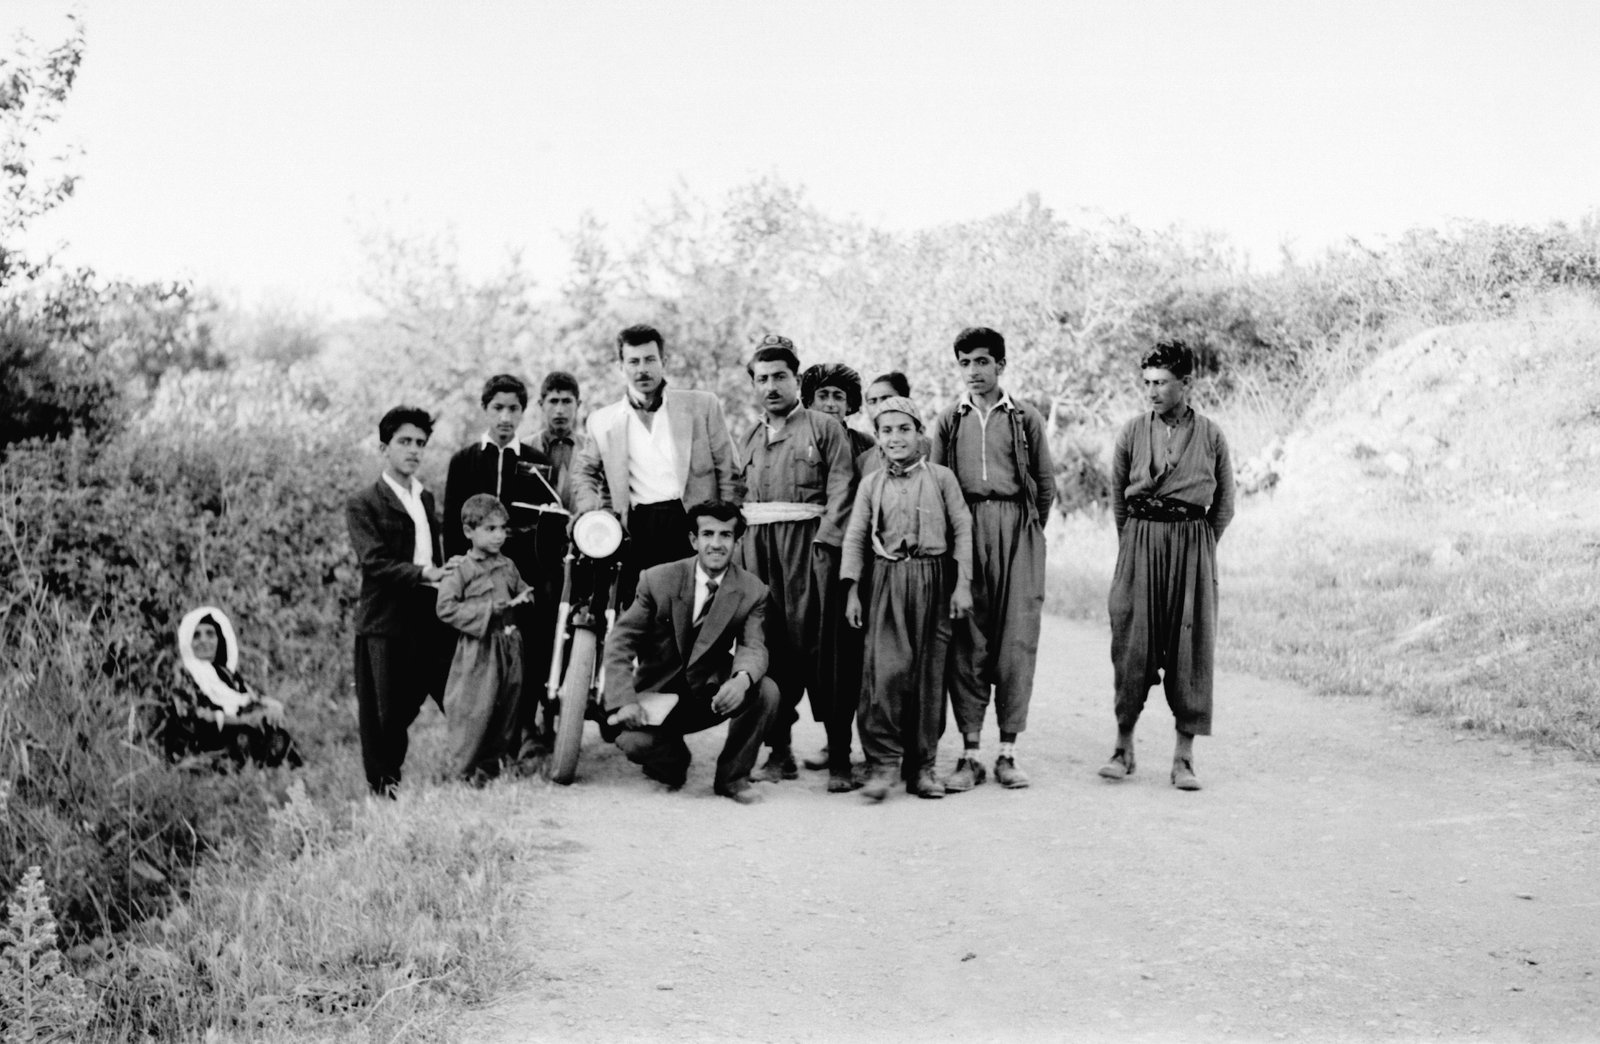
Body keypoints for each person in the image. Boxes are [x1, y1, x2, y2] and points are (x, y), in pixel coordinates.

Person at [928, 327, 1057, 791]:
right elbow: (938, 484)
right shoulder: (950, 420)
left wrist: (1026, 532)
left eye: (982, 361)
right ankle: (969, 755)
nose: (973, 372)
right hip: (965, 531)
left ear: (1000, 365)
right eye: (964, 363)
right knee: (967, 641)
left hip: (1017, 529)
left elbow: (1045, 485)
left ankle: (1007, 752)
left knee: (1016, 639)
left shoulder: (1025, 418)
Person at [1102, 341, 1234, 791]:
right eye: (1148, 383)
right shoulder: (1132, 432)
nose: (1152, 391)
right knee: (1131, 644)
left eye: (1161, 382)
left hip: (1192, 546)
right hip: (1139, 543)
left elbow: (1225, 504)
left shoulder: (1211, 435)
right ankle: (1123, 748)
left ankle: (1184, 758)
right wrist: (1133, 545)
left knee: (1189, 650)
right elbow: (1118, 497)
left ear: (1186, 383)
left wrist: (1199, 547)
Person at [736, 335, 856, 791]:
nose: (771, 386)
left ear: (796, 379)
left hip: (811, 553)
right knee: (770, 650)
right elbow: (739, 501)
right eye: (762, 378)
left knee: (826, 653)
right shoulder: (749, 437)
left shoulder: (823, 428)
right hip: (761, 556)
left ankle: (840, 756)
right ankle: (779, 752)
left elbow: (843, 489)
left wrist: (827, 546)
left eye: (780, 377)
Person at [601, 500, 780, 803]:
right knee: (633, 743)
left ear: (737, 543)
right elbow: (621, 642)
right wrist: (624, 700)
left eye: (725, 535)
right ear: (694, 540)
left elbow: (753, 645)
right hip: (659, 693)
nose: (716, 544)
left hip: (710, 694)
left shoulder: (753, 590)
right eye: (708, 534)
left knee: (766, 691)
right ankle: (673, 759)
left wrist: (741, 679)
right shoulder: (657, 579)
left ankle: (733, 778)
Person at [842, 397, 972, 801]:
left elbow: (962, 529)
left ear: (920, 434)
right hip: (886, 580)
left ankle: (922, 767)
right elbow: (856, 536)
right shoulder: (871, 483)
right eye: (887, 431)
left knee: (929, 676)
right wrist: (852, 591)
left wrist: (963, 585)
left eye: (904, 429)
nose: (895, 438)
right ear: (878, 438)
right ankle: (882, 764)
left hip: (933, 581)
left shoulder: (942, 478)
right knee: (883, 672)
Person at [572, 323, 740, 607]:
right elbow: (584, 471)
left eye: (650, 359)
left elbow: (729, 471)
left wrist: (726, 527)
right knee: (645, 614)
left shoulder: (702, 406)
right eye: (633, 362)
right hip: (638, 529)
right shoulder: (603, 421)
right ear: (620, 367)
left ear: (665, 361)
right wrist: (591, 510)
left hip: (693, 523)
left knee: (698, 612)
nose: (642, 369)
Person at [442, 374, 559, 764]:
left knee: (523, 654)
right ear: (485, 410)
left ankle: (522, 731)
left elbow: (544, 527)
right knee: (480, 660)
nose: (506, 417)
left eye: (514, 409)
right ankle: (477, 743)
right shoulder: (464, 460)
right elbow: (452, 525)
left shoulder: (537, 462)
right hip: (477, 581)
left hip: (520, 577)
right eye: (498, 408)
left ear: (523, 412)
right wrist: (458, 568)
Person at [345, 405, 454, 797]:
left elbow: (434, 554)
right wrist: (424, 573)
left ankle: (480, 767)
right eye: (404, 441)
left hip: (430, 613)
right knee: (383, 710)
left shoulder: (426, 498)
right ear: (384, 448)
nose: (413, 450)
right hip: (385, 618)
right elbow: (373, 562)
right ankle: (383, 790)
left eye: (420, 443)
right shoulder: (364, 502)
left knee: (451, 688)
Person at [796, 362, 874, 775]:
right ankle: (830, 740)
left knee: (849, 652)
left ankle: (859, 744)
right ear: (808, 402)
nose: (830, 404)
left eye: (838, 397)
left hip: (856, 554)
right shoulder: (801, 438)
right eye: (822, 396)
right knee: (814, 649)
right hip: (810, 551)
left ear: (851, 405)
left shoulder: (865, 444)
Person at [436, 494, 536, 783]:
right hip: (479, 648)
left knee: (509, 704)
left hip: (510, 644)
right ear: (469, 531)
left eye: (503, 528)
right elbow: (445, 607)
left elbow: (521, 588)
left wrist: (526, 596)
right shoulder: (462, 569)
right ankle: (464, 771)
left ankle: (495, 766)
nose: (499, 536)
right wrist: (487, 610)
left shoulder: (507, 565)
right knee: (475, 708)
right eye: (490, 529)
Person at [167, 606, 300, 768]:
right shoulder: (184, 671)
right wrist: (242, 720)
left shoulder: (225, 672)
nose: (204, 640)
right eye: (196, 635)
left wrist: (273, 706)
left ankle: (269, 759)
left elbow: (249, 697)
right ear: (188, 640)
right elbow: (193, 715)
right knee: (243, 738)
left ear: (219, 638)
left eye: (210, 634)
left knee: (273, 730)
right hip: (202, 737)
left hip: (233, 727)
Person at [532, 370, 586, 513]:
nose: (560, 410)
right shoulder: (525, 447)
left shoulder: (592, 449)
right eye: (553, 401)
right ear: (541, 405)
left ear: (578, 405)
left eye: (567, 401)